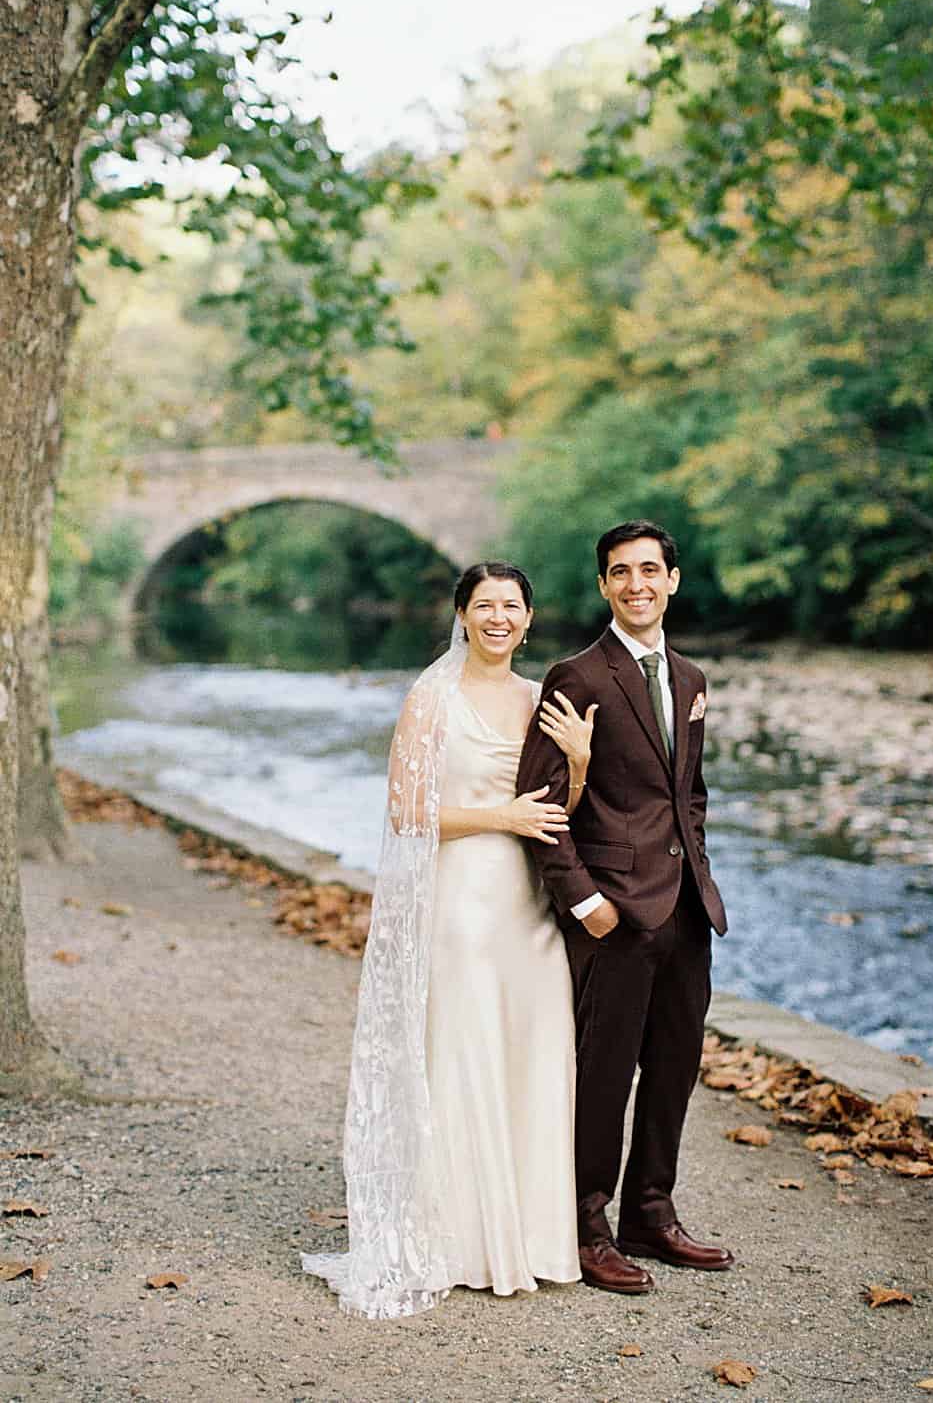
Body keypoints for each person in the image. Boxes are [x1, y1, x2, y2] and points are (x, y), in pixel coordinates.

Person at [304, 561, 598, 1317]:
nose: (498, 617)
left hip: (530, 906)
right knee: (465, 1052)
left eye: (512, 606)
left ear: (529, 619)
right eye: (484, 605)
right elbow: (407, 813)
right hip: (462, 900)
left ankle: (532, 1238)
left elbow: (560, 813)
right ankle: (462, 1240)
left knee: (532, 1052)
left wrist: (580, 764)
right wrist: (498, 816)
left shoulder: (543, 700)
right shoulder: (431, 699)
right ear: (462, 615)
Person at [514, 520, 733, 1296]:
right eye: (620, 573)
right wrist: (585, 904)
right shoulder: (576, 675)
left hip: (686, 911)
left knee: (674, 1067)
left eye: (650, 569)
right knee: (603, 1077)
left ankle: (652, 1210)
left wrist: (701, 878)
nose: (637, 583)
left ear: (673, 578)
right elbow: (538, 804)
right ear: (604, 587)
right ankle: (585, 1224)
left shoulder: (693, 676)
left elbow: (691, 796)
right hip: (611, 915)